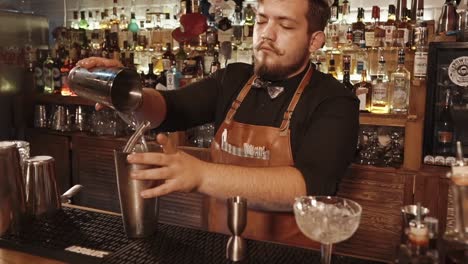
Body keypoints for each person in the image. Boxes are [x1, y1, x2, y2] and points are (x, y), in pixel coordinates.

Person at [77, 0, 359, 244]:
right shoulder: (233, 79)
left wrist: (202, 175)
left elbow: (308, 187)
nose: (267, 34)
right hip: (216, 247)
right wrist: (126, 93)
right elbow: (169, 108)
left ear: (314, 41)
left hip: (289, 255)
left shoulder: (334, 101)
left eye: (285, 26)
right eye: (261, 20)